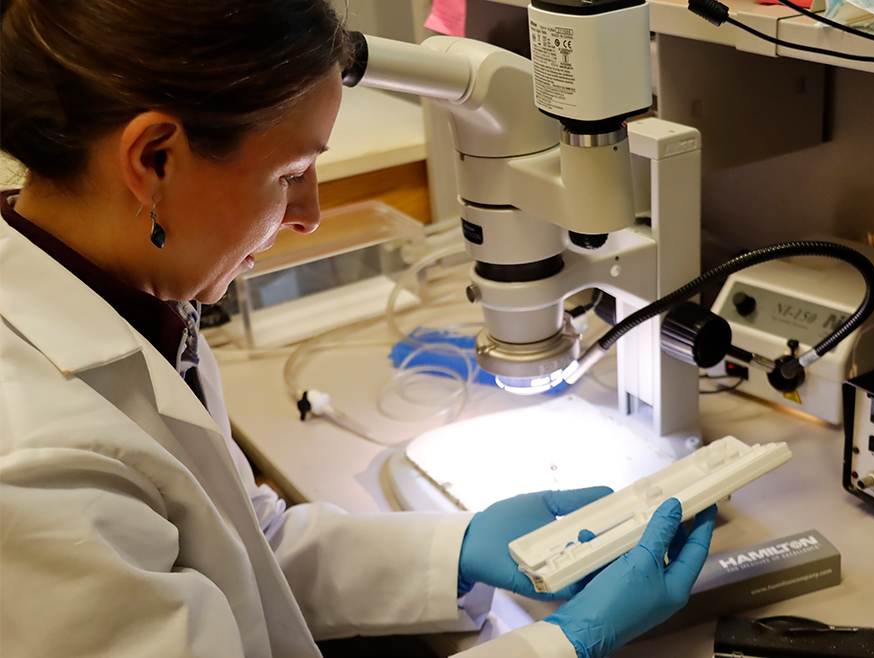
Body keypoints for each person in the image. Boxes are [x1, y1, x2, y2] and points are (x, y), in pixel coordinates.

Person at [0, 1, 717, 657]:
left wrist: (455, 548)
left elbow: (243, 550)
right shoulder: (36, 465)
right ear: (153, 157)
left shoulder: (134, 297)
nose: (309, 213)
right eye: (291, 173)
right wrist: (561, 645)